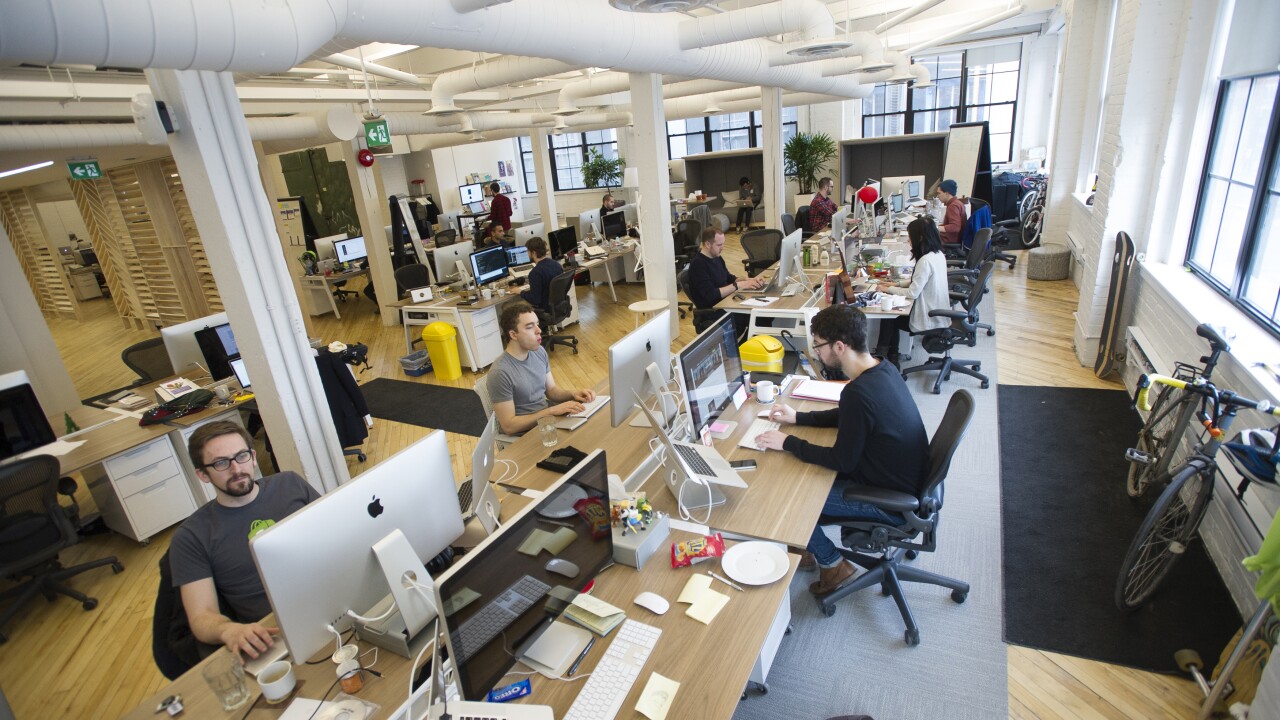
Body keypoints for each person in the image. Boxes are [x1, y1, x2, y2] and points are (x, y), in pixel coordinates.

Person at [753, 305, 930, 597]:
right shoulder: (882, 369)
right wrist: (799, 418)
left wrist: (788, 442)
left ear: (839, 346)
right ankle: (808, 546)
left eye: (819, 346)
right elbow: (847, 416)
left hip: (888, 501)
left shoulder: (858, 393)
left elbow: (842, 461)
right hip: (905, 484)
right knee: (800, 476)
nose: (817, 353)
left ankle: (834, 565)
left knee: (791, 497)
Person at [169, 421, 320, 659]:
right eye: (221, 463)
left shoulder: (290, 485)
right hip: (276, 632)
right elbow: (201, 616)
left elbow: (336, 534)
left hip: (328, 594)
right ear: (203, 474)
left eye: (241, 456)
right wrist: (227, 630)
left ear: (252, 456)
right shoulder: (192, 537)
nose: (236, 469)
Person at [488, 301, 596, 435]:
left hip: (548, 421)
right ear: (513, 335)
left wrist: (573, 394)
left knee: (593, 425)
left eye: (537, 324)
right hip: (528, 433)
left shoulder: (538, 352)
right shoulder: (500, 373)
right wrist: (550, 412)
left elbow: (551, 391)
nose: (539, 330)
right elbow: (509, 426)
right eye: (529, 327)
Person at [872, 216, 952, 368]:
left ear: (920, 237)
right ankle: (890, 357)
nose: (909, 241)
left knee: (890, 315)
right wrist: (895, 283)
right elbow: (919, 280)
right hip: (937, 311)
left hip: (928, 318)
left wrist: (887, 289)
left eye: (910, 237)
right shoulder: (937, 254)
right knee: (892, 316)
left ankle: (884, 357)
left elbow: (913, 293)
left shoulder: (925, 261)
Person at [686, 227, 765, 336]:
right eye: (719, 245)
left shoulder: (717, 257)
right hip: (714, 312)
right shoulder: (698, 265)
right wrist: (738, 285)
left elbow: (728, 278)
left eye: (723, 244)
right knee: (759, 317)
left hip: (727, 303)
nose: (722, 248)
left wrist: (749, 280)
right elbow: (711, 295)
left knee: (761, 312)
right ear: (708, 244)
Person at [518, 236, 564, 313]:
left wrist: (520, 292)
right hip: (558, 304)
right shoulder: (556, 264)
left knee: (512, 305)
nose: (527, 254)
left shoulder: (535, 273)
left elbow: (535, 300)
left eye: (528, 251)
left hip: (545, 308)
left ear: (533, 253)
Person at [936, 178, 965, 246]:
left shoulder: (953, 206)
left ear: (946, 193)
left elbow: (955, 227)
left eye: (939, 193)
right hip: (954, 238)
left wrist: (935, 228)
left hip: (949, 241)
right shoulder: (958, 203)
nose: (937, 196)